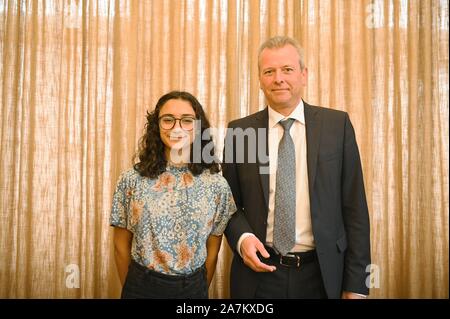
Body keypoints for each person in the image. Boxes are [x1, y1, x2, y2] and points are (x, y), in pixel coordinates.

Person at [223, 36, 371, 299]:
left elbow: (355, 207)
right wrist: (242, 238)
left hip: (323, 276)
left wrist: (356, 284)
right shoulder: (240, 131)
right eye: (269, 71)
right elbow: (227, 203)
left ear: (303, 75)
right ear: (259, 79)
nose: (278, 78)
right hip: (258, 274)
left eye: (287, 69)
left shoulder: (337, 126)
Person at [110, 91, 236, 299]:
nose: (177, 128)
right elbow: (120, 246)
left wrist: (198, 290)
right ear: (156, 126)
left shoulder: (217, 185)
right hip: (141, 286)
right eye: (168, 120)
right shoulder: (131, 180)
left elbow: (212, 252)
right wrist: (133, 288)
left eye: (187, 121)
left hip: (193, 288)